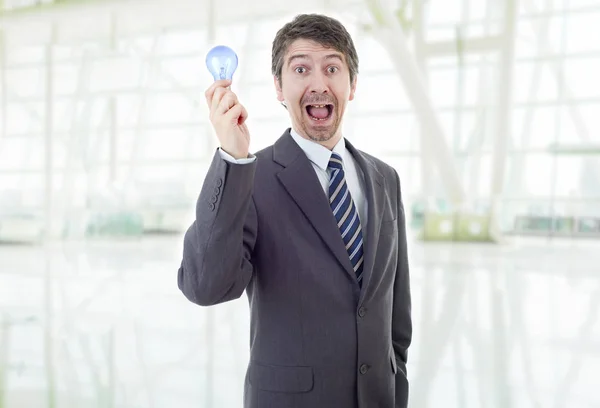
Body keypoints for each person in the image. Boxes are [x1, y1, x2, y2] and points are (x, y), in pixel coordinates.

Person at [177, 13, 412, 408]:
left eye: (332, 68)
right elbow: (205, 286)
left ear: (351, 85)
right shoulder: (253, 178)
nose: (318, 84)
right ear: (279, 88)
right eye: (301, 68)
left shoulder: (385, 178)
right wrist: (234, 159)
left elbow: (396, 316)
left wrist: (396, 386)